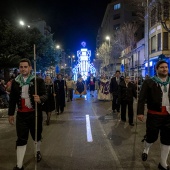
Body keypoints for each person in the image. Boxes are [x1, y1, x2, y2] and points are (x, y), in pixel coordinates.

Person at [8, 58, 47, 170]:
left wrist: (40, 99)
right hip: (21, 115)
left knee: (37, 135)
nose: (23, 69)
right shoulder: (15, 82)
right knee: (21, 138)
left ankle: (37, 151)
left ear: (30, 68)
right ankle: (19, 165)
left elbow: (45, 95)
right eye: (21, 67)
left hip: (35, 114)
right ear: (19, 68)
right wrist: (11, 114)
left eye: (25, 67)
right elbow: (12, 100)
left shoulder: (38, 81)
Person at [137, 60, 170, 170]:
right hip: (154, 115)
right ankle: (146, 148)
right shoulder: (149, 82)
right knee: (151, 137)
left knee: (167, 139)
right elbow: (141, 99)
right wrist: (140, 112)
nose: (164, 69)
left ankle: (163, 163)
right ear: (157, 69)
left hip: (168, 116)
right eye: (162, 67)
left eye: (166, 67)